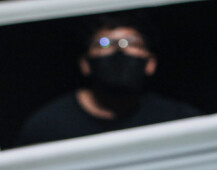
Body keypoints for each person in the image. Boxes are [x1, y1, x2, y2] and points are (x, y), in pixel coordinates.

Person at [16, 14, 200, 146]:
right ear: (85, 64)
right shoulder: (47, 126)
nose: (119, 51)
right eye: (104, 43)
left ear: (150, 63)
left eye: (130, 43)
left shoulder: (177, 120)